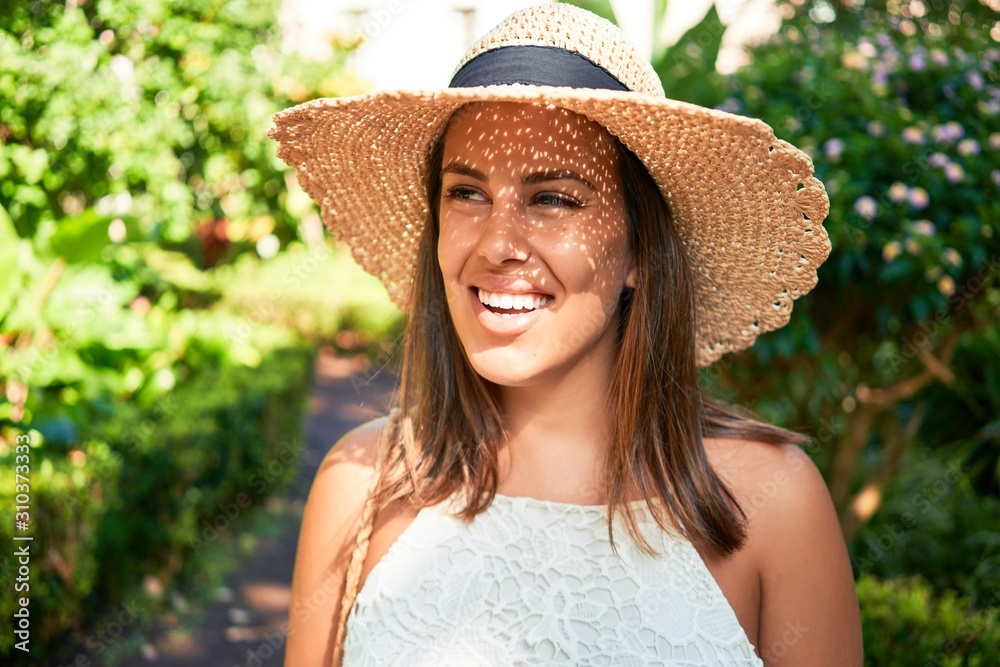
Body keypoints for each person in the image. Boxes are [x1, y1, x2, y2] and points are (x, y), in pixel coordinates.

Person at [270, 4, 862, 666]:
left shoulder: (770, 504)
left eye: (552, 198)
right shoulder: (363, 486)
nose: (496, 243)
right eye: (466, 193)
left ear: (640, 249)